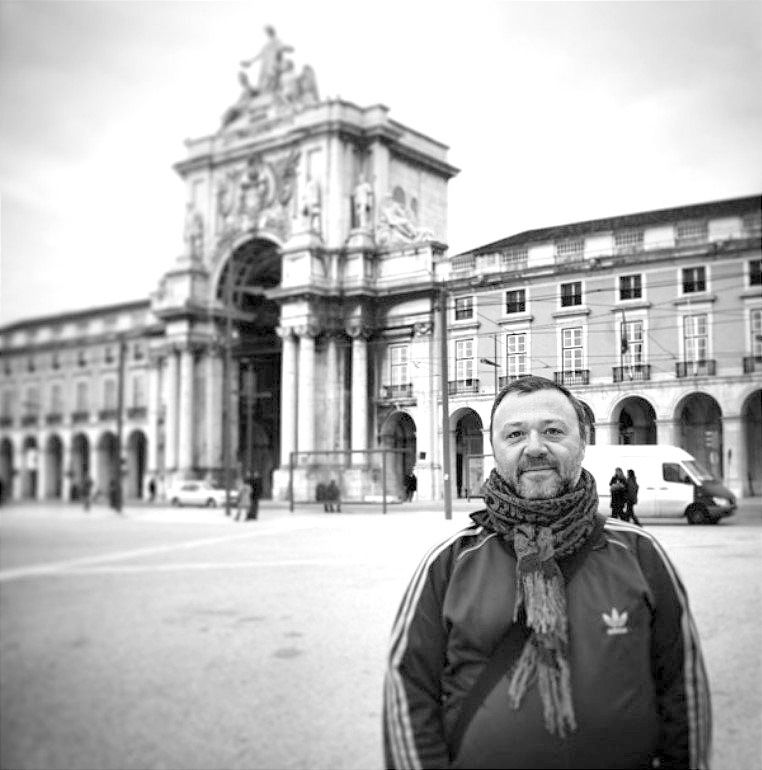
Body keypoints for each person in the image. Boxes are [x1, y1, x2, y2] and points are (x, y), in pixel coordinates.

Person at [383, 375, 711, 769]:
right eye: (515, 434)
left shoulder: (640, 554)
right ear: (495, 450)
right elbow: (408, 690)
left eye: (553, 431)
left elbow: (683, 690)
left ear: (583, 442)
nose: (535, 447)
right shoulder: (449, 563)